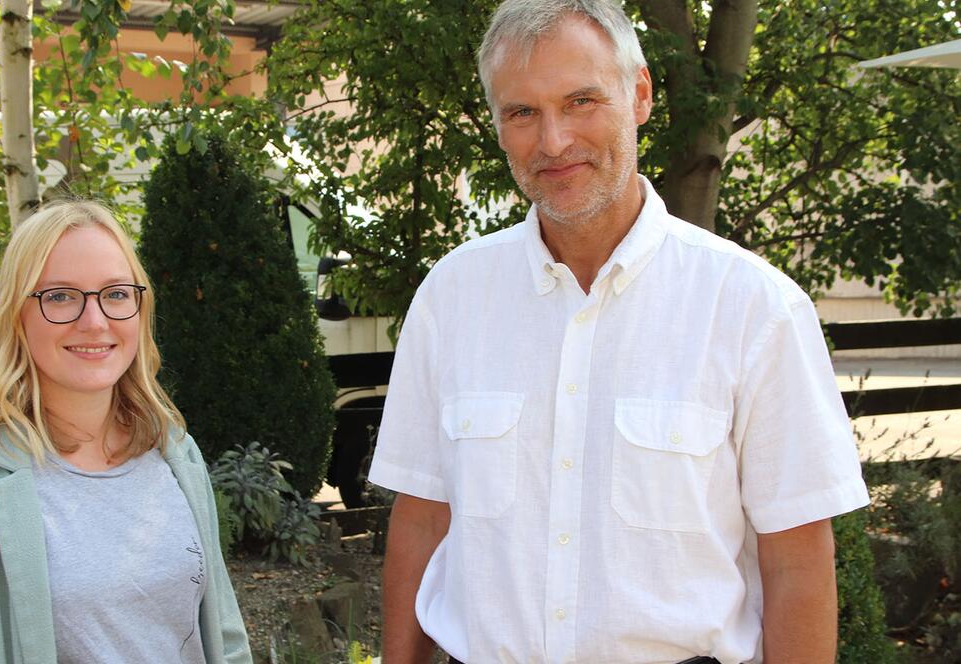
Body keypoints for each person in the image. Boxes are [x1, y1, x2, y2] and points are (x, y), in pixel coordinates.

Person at [368, 1, 870, 662]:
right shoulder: (451, 298)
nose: (553, 142)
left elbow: (797, 559)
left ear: (638, 95)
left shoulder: (754, 308)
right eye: (523, 112)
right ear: (497, 126)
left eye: (581, 101)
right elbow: (423, 519)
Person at [0, 200, 252, 664]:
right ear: (15, 315)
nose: (95, 321)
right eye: (60, 296)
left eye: (116, 294)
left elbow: (224, 637)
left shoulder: (173, 448)